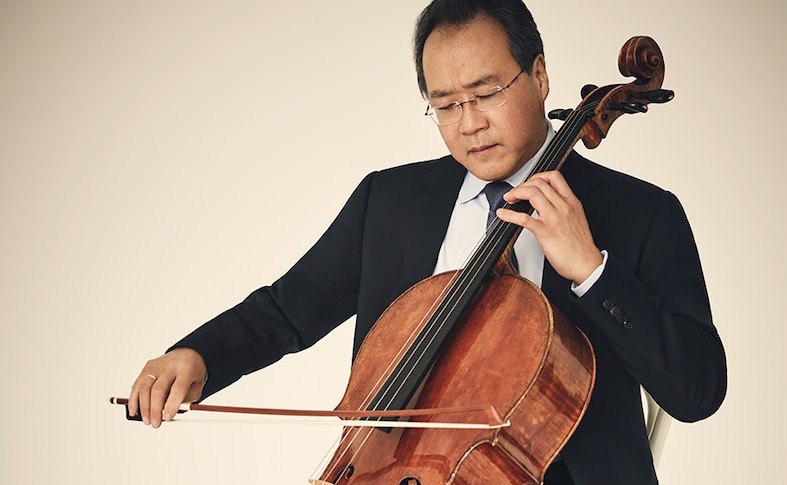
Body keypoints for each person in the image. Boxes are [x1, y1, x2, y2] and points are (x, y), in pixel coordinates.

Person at [127, 0, 727, 483]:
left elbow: (697, 390)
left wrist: (593, 272)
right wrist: (197, 356)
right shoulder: (388, 203)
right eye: (444, 104)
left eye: (487, 93)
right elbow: (287, 311)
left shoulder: (642, 213)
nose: (468, 123)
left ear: (540, 75)